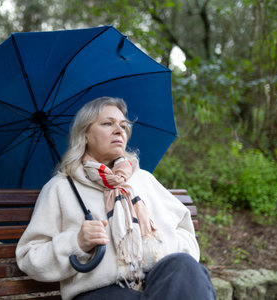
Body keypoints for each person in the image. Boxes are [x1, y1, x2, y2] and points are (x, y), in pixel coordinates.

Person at [16, 97, 216, 300]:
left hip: (157, 283)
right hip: (99, 291)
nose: (119, 130)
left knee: (185, 267)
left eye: (123, 125)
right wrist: (77, 243)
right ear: (85, 134)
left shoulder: (143, 179)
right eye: (107, 123)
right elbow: (30, 257)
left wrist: (160, 243)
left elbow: (185, 233)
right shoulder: (61, 188)